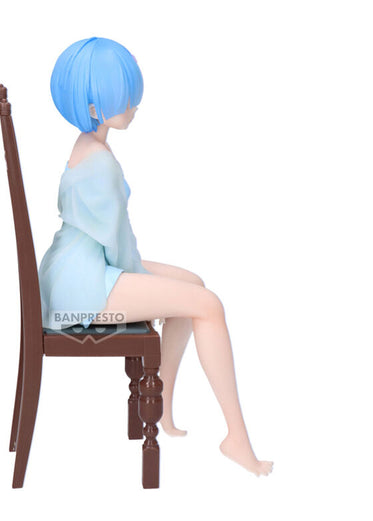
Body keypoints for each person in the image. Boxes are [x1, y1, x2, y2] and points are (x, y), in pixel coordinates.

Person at [38, 36, 273, 477]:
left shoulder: (88, 145)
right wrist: (149, 287)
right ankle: (236, 438)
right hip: (82, 291)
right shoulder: (100, 162)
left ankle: (163, 407)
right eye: (123, 97)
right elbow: (118, 246)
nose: (133, 105)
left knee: (193, 285)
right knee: (208, 304)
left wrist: (153, 285)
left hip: (77, 270)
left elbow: (113, 244)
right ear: (95, 106)